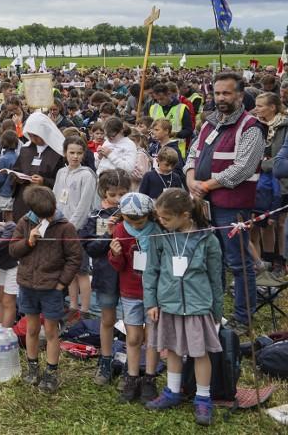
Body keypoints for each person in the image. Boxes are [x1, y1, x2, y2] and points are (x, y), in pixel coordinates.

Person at [184, 71, 263, 328]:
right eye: (217, 93)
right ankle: (213, 311)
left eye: (226, 93)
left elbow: (243, 168)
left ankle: (243, 317)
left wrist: (206, 184)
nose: (221, 98)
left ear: (240, 95)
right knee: (212, 260)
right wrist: (191, 179)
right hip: (206, 205)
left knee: (238, 263)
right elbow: (193, 154)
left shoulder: (250, 127)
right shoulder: (209, 123)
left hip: (233, 206)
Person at [143, 189, 224, 426]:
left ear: (185, 215)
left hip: (198, 306)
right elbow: (151, 272)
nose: (161, 222)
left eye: (166, 219)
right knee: (173, 349)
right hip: (168, 304)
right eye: (160, 218)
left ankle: (203, 398)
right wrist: (151, 302)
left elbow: (215, 277)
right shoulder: (160, 237)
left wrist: (216, 311)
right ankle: (172, 391)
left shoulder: (208, 239)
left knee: (200, 352)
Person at [8, 185, 82, 394]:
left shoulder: (65, 227)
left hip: (51, 288)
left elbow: (75, 258)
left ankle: (51, 372)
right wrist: (28, 242)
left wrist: (61, 284)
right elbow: (13, 250)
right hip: (28, 285)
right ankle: (32, 367)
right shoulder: (25, 222)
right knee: (31, 329)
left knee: (51, 331)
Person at [107, 192, 161, 404]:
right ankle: (132, 377)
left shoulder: (158, 230)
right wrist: (116, 254)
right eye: (131, 221)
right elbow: (118, 267)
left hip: (154, 294)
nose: (136, 226)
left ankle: (149, 378)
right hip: (130, 292)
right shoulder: (120, 230)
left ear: (149, 215)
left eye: (140, 221)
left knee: (153, 337)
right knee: (133, 337)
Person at [79, 168, 131, 385]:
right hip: (106, 275)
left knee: (133, 322)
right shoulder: (95, 217)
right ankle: (106, 359)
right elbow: (89, 247)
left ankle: (132, 365)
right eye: (113, 195)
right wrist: (107, 235)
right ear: (103, 194)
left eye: (122, 194)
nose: (118, 200)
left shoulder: (136, 216)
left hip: (130, 277)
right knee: (107, 318)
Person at [53, 135, 97, 317]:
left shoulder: (87, 176)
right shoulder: (61, 173)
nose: (75, 156)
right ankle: (72, 305)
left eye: (79, 153)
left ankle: (84, 309)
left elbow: (84, 206)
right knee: (68, 270)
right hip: (62, 227)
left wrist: (71, 227)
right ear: (65, 153)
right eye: (71, 152)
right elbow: (55, 199)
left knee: (82, 271)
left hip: (79, 230)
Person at [9, 111, 65, 221]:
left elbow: (62, 181)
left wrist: (43, 181)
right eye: (30, 135)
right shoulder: (26, 149)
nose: (33, 139)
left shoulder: (58, 152)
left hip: (45, 202)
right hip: (24, 201)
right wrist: (17, 178)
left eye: (36, 136)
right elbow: (16, 169)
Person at [254, 92, 287, 276]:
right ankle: (267, 259)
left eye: (260, 106)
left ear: (272, 107)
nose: (256, 109)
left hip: (282, 182)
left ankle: (281, 260)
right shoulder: (257, 126)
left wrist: (263, 164)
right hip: (262, 182)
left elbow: (281, 158)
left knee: (280, 222)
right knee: (264, 223)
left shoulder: (284, 126)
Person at [148, 83, 193, 157]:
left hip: (176, 152)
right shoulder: (153, 108)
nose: (159, 102)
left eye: (161, 99)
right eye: (157, 99)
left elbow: (189, 130)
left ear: (168, 94)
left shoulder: (182, 108)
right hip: (157, 151)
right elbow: (150, 128)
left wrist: (175, 134)